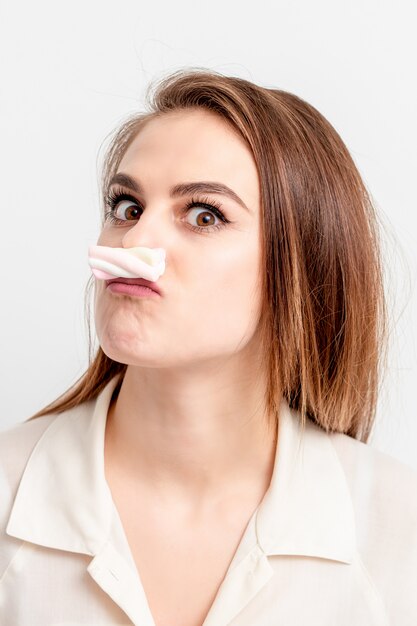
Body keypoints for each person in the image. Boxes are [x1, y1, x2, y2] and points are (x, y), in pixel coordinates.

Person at [1, 68, 416, 626]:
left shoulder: (397, 525)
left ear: (299, 267)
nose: (137, 240)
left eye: (204, 214)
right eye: (127, 207)